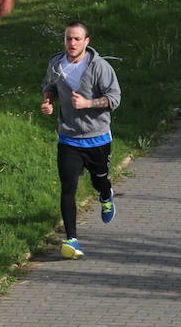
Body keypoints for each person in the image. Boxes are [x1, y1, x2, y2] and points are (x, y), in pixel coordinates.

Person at [40, 21, 121, 259]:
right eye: (68, 38)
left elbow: (114, 99)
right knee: (68, 188)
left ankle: (106, 195)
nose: (71, 43)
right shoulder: (56, 63)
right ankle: (72, 240)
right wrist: (48, 101)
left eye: (77, 39)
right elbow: (50, 86)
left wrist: (88, 103)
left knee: (100, 181)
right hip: (69, 137)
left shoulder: (100, 67)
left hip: (97, 138)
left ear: (87, 41)